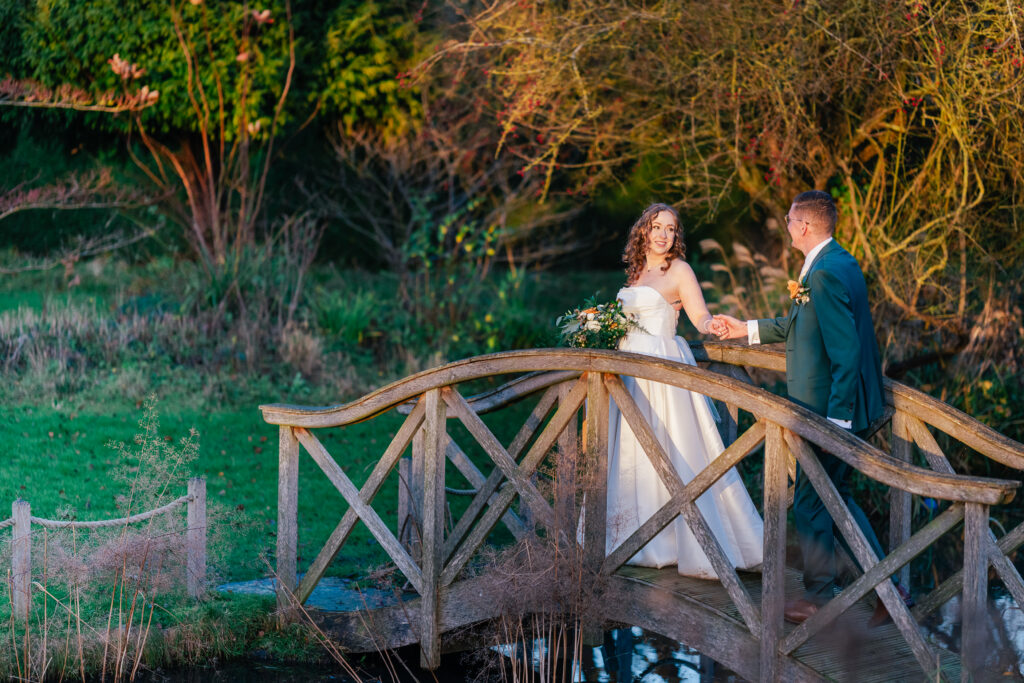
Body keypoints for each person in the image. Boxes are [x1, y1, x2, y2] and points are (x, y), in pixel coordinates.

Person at [713, 190, 911, 625]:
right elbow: (802, 325)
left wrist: (835, 424)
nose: (785, 225)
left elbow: (846, 353)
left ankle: (820, 598)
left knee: (810, 500)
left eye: (788, 219)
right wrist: (744, 328)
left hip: (829, 408)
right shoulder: (836, 261)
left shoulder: (822, 274)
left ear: (803, 226)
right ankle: (889, 587)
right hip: (838, 403)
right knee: (833, 495)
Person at [606, 202, 763, 579]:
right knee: (631, 453)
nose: (664, 234)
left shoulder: (679, 270)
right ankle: (633, 539)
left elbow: (699, 315)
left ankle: (687, 543)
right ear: (643, 230)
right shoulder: (637, 272)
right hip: (628, 371)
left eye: (671, 229)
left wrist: (714, 326)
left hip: (662, 367)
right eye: (657, 227)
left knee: (673, 449)